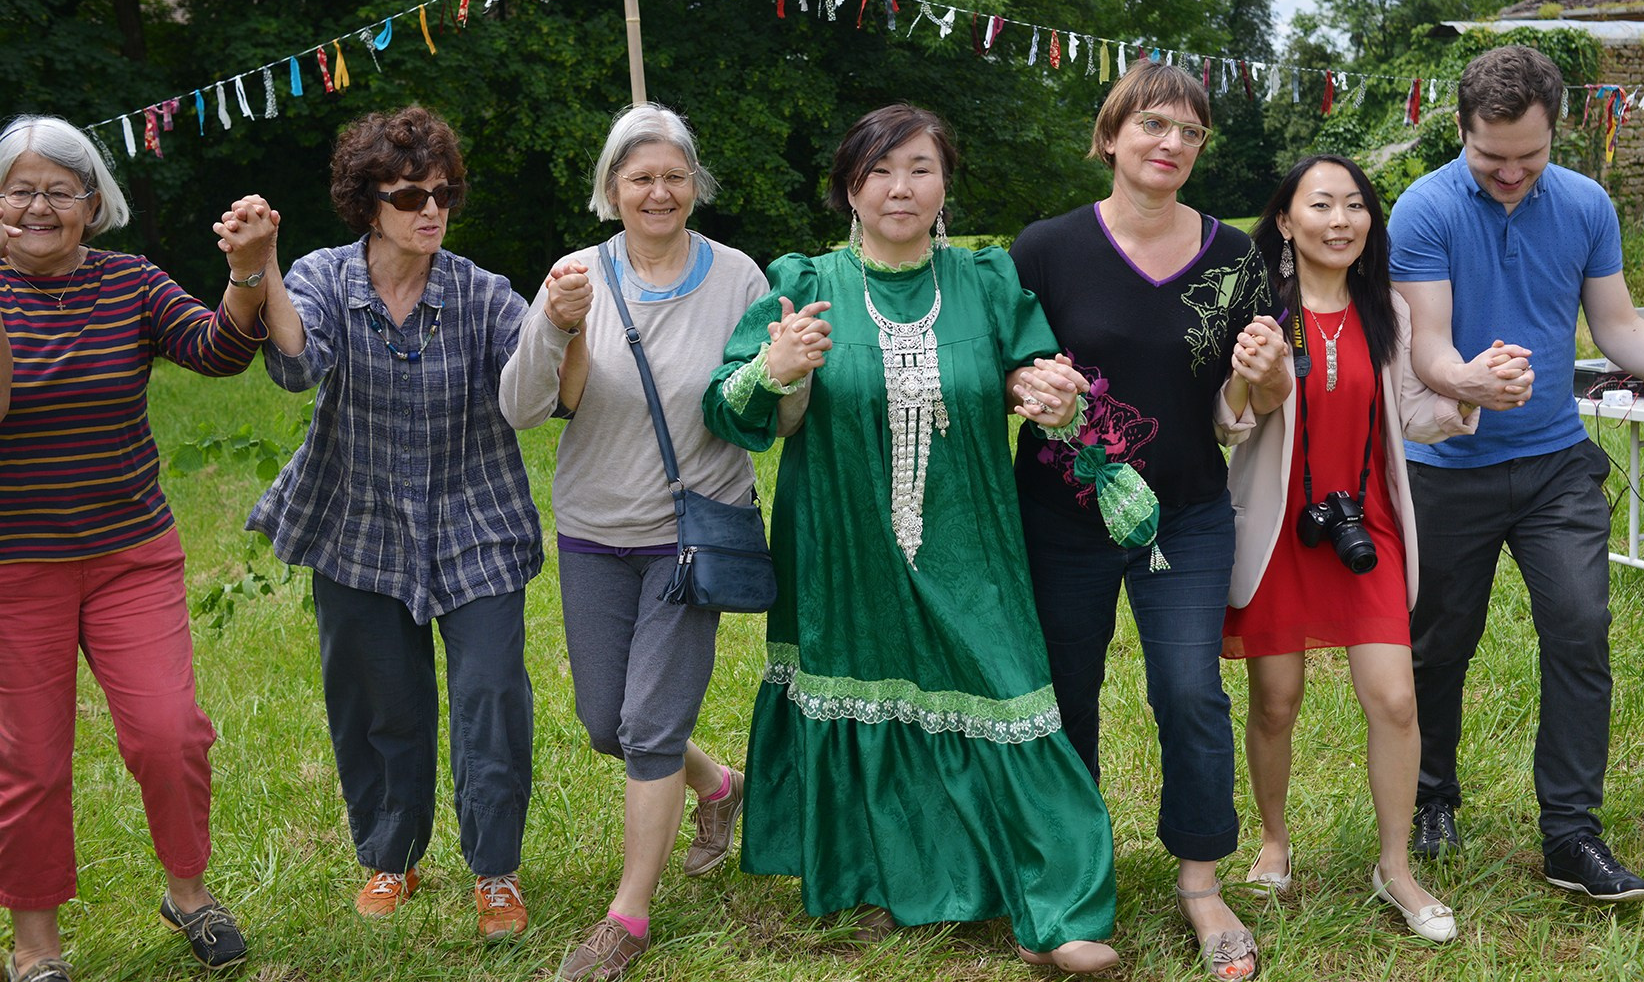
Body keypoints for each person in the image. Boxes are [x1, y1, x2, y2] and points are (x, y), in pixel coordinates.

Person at [703, 104, 1121, 975]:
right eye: (881, 170)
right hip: (842, 540)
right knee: (867, 689)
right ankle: (874, 877)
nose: (901, 187)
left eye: (921, 168)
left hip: (970, 537)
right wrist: (774, 371)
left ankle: (1059, 912)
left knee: (1009, 695)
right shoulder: (802, 279)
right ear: (849, 186)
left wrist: (1048, 393)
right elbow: (735, 412)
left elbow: (1033, 381)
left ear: (944, 183)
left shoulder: (986, 281)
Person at [1386, 44, 1644, 902]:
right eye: (1492, 158)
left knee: (1580, 628)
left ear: (1556, 131)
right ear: (1462, 131)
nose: (1512, 174)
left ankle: (1571, 835)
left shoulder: (1587, 204)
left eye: (1530, 156)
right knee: (1439, 644)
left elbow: (1618, 332)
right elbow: (1428, 346)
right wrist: (1467, 381)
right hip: (1446, 462)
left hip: (1557, 461)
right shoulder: (1423, 210)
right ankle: (1432, 797)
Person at [1010, 60, 1289, 981]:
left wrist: (1264, 367)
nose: (1172, 144)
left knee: (1190, 692)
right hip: (1061, 511)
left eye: (1191, 132)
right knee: (1065, 696)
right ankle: (1069, 882)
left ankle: (1202, 881)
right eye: (1153, 125)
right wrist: (1023, 384)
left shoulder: (1236, 257)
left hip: (1186, 514)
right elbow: (1002, 366)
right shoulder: (1046, 250)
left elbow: (1253, 401)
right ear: (1111, 134)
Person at [242, 106, 542, 940]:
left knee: (489, 696)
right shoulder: (324, 276)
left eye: (442, 192)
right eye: (411, 194)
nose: (431, 209)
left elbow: (539, 382)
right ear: (367, 201)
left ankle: (496, 873)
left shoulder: (481, 291)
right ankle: (392, 856)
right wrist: (261, 266)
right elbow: (299, 363)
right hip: (357, 520)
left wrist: (564, 324)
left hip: (476, 518)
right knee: (381, 701)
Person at [497, 104, 766, 982]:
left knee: (648, 726)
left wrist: (787, 370)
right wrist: (554, 324)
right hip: (593, 529)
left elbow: (767, 409)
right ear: (611, 190)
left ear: (695, 185)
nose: (658, 190)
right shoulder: (576, 276)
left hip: (694, 534)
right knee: (605, 722)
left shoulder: (737, 278)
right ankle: (719, 783)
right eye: (639, 176)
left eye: (673, 175)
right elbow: (523, 405)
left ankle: (628, 917)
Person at [0, 114, 271, 979]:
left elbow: (220, 350)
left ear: (91, 202)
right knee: (31, 762)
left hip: (130, 553)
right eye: (19, 189)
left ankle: (188, 893)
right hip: (14, 566)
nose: (38, 206)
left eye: (58, 190)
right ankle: (36, 945)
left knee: (169, 732)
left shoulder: (130, 283)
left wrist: (242, 275)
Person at [1222, 155, 1493, 944]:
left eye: (1355, 206)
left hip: (1365, 530)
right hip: (1282, 530)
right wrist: (1248, 379)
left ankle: (1396, 866)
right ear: (1285, 220)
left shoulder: (1390, 313)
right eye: (1321, 205)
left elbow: (1412, 414)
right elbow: (1226, 423)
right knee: (1275, 701)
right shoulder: (1260, 313)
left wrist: (1469, 391)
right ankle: (1273, 840)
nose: (1340, 220)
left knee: (1397, 699)